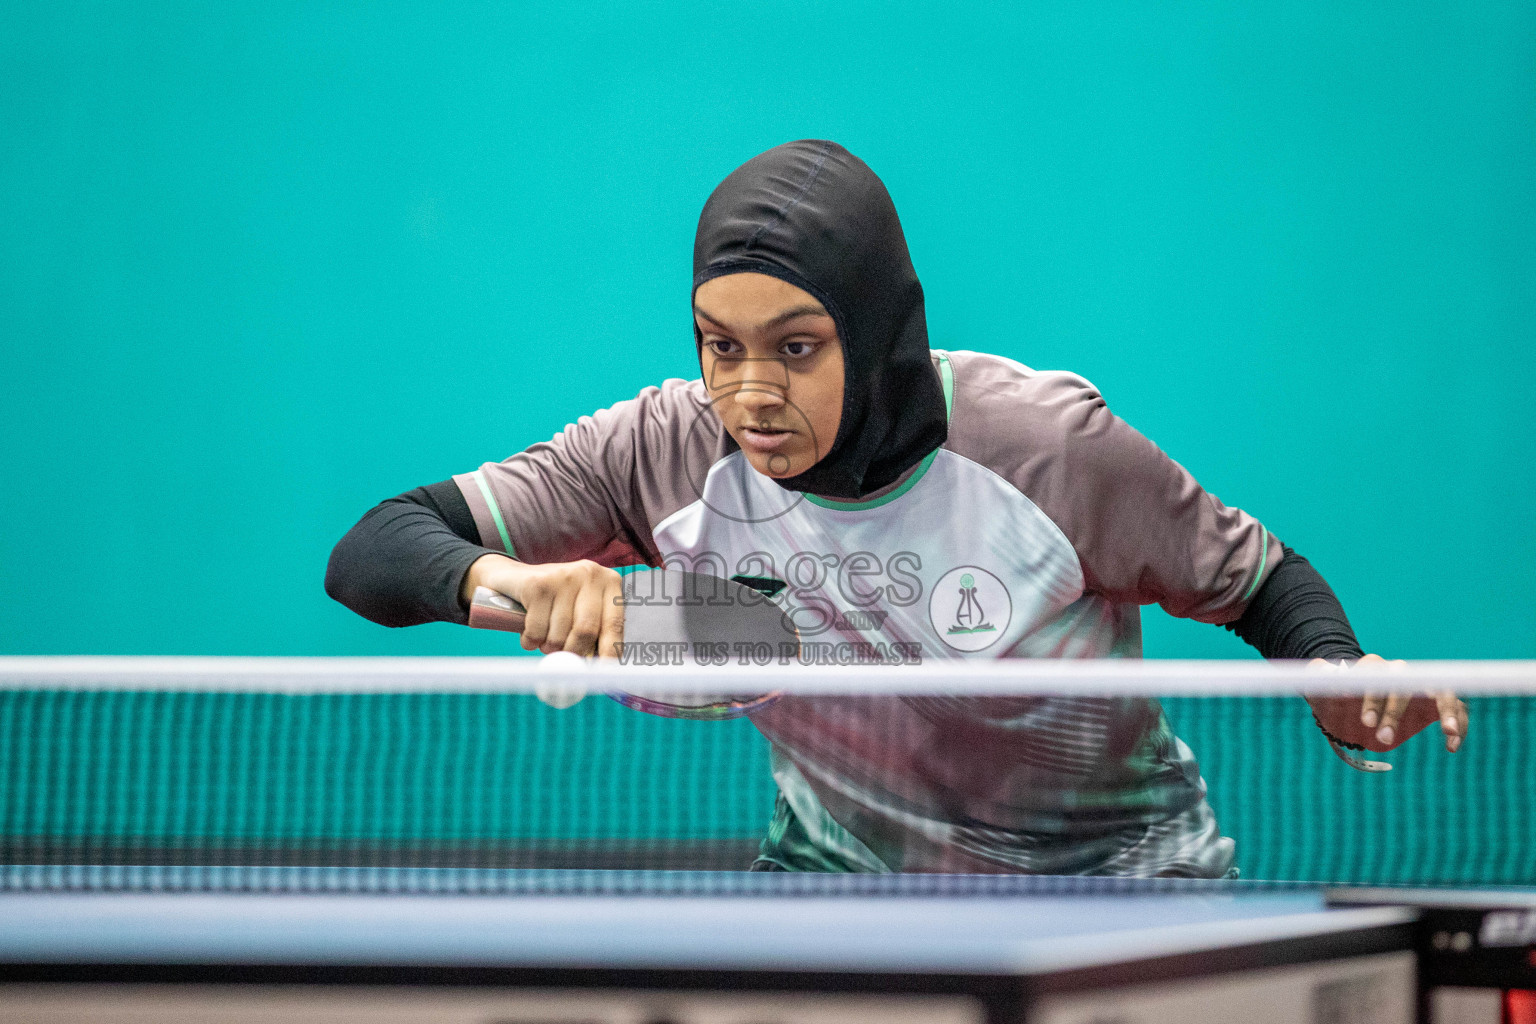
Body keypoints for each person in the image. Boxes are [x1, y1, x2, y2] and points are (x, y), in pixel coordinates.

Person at [326, 139, 1466, 876]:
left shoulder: (1045, 447)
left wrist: (1338, 680)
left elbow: (1260, 579)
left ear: (875, 334)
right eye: (719, 346)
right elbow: (375, 549)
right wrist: (510, 583)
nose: (749, 392)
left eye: (797, 347)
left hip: (1114, 893)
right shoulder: (662, 447)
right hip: (836, 900)